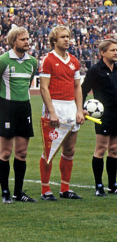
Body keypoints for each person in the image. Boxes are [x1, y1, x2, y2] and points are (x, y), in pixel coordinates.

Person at [39, 25, 85, 201]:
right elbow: (43, 88)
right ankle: (45, 189)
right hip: (55, 106)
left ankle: (65, 188)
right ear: (54, 41)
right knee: (50, 151)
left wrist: (79, 109)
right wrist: (51, 112)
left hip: (70, 106)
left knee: (70, 149)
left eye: (68, 36)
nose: (67, 39)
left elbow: (77, 87)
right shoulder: (48, 60)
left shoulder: (74, 60)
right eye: (63, 37)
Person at [0, 27, 39, 203]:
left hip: (24, 108)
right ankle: (5, 192)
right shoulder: (2, 61)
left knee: (22, 152)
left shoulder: (33, 62)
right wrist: (3, 104)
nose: (27, 42)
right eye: (23, 39)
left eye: (28, 39)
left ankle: (18, 192)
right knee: (5, 152)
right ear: (14, 41)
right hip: (7, 108)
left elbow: (27, 85)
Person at [82, 38, 117, 195]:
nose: (116, 52)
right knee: (101, 149)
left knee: (114, 150)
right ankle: (98, 186)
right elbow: (82, 91)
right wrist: (80, 109)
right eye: (112, 50)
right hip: (103, 116)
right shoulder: (95, 70)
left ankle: (112, 185)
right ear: (102, 53)